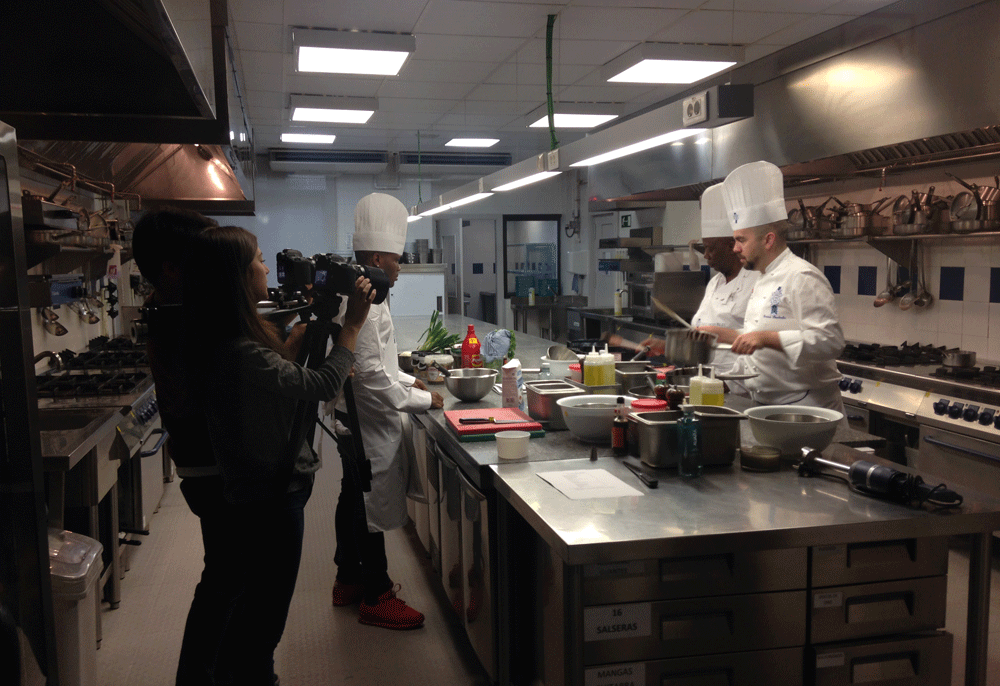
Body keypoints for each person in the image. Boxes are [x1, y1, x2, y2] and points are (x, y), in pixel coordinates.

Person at [183, 225, 374, 685]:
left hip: (259, 490)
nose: (269, 269)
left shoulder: (224, 338)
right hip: (271, 496)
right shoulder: (238, 349)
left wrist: (307, 332)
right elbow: (321, 386)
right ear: (236, 276)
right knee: (262, 627)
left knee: (249, 616)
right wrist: (349, 328)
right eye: (261, 260)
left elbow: (277, 379)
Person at [132, 208, 238, 686]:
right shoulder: (176, 318)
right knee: (224, 581)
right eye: (200, 258)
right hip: (209, 470)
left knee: (226, 579)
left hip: (203, 466)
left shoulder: (172, 306)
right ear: (172, 267)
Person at [330, 193, 444, 629]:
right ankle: (376, 594)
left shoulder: (358, 291)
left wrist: (408, 378)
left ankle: (347, 579)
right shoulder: (367, 302)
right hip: (365, 423)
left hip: (351, 416)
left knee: (349, 496)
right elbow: (373, 377)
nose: (400, 267)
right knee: (366, 506)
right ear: (379, 257)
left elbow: (378, 364)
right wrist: (420, 398)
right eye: (397, 259)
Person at [699, 160, 845, 412]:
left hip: (807, 409)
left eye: (741, 240)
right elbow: (761, 341)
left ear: (768, 239)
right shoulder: (763, 278)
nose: (735, 248)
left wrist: (765, 338)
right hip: (767, 405)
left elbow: (829, 341)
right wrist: (724, 335)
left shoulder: (801, 277)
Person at [641, 183, 758, 373]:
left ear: (731, 245)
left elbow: (762, 340)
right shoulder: (715, 283)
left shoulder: (757, 282)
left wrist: (722, 335)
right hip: (705, 378)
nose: (706, 255)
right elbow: (699, 336)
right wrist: (665, 345)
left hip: (738, 383)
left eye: (711, 248)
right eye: (705, 248)